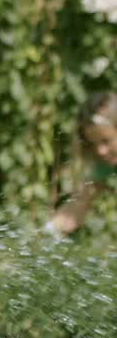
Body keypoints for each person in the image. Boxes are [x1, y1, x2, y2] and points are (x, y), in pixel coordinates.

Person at [49, 91, 117, 236]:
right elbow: (77, 207)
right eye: (93, 144)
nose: (100, 151)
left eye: (106, 141)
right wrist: (46, 232)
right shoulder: (105, 165)